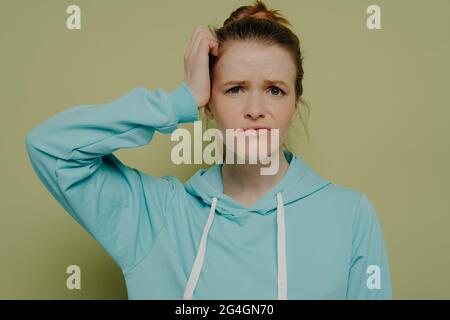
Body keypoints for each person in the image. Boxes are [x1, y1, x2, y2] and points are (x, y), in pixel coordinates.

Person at [25, 0, 392, 299]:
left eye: (275, 90)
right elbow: (51, 147)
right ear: (208, 104)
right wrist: (179, 100)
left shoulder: (351, 217)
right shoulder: (154, 217)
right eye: (234, 88)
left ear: (295, 104)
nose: (255, 109)